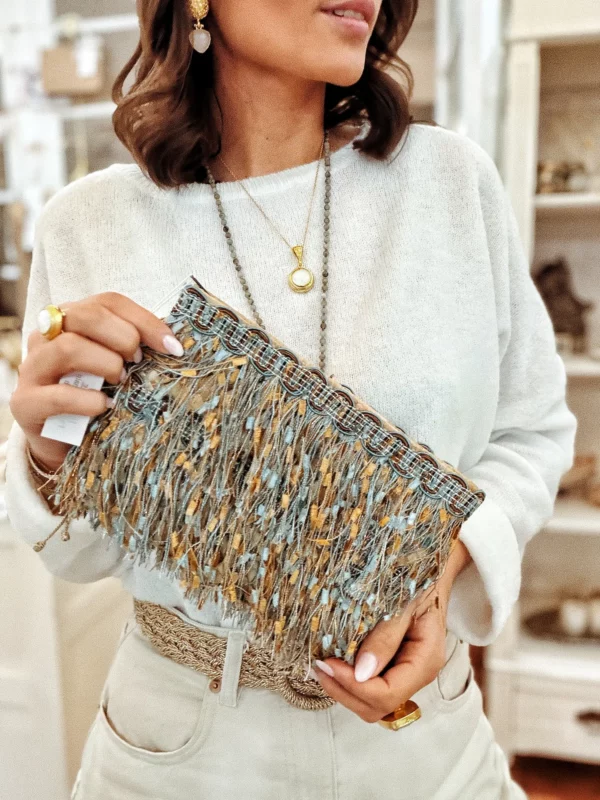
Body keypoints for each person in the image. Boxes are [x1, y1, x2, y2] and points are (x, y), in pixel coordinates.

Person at [6, 0, 576, 797]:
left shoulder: (449, 182)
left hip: (426, 747)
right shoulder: (92, 223)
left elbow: (533, 430)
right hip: (181, 752)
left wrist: (442, 565)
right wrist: (48, 456)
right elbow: (82, 555)